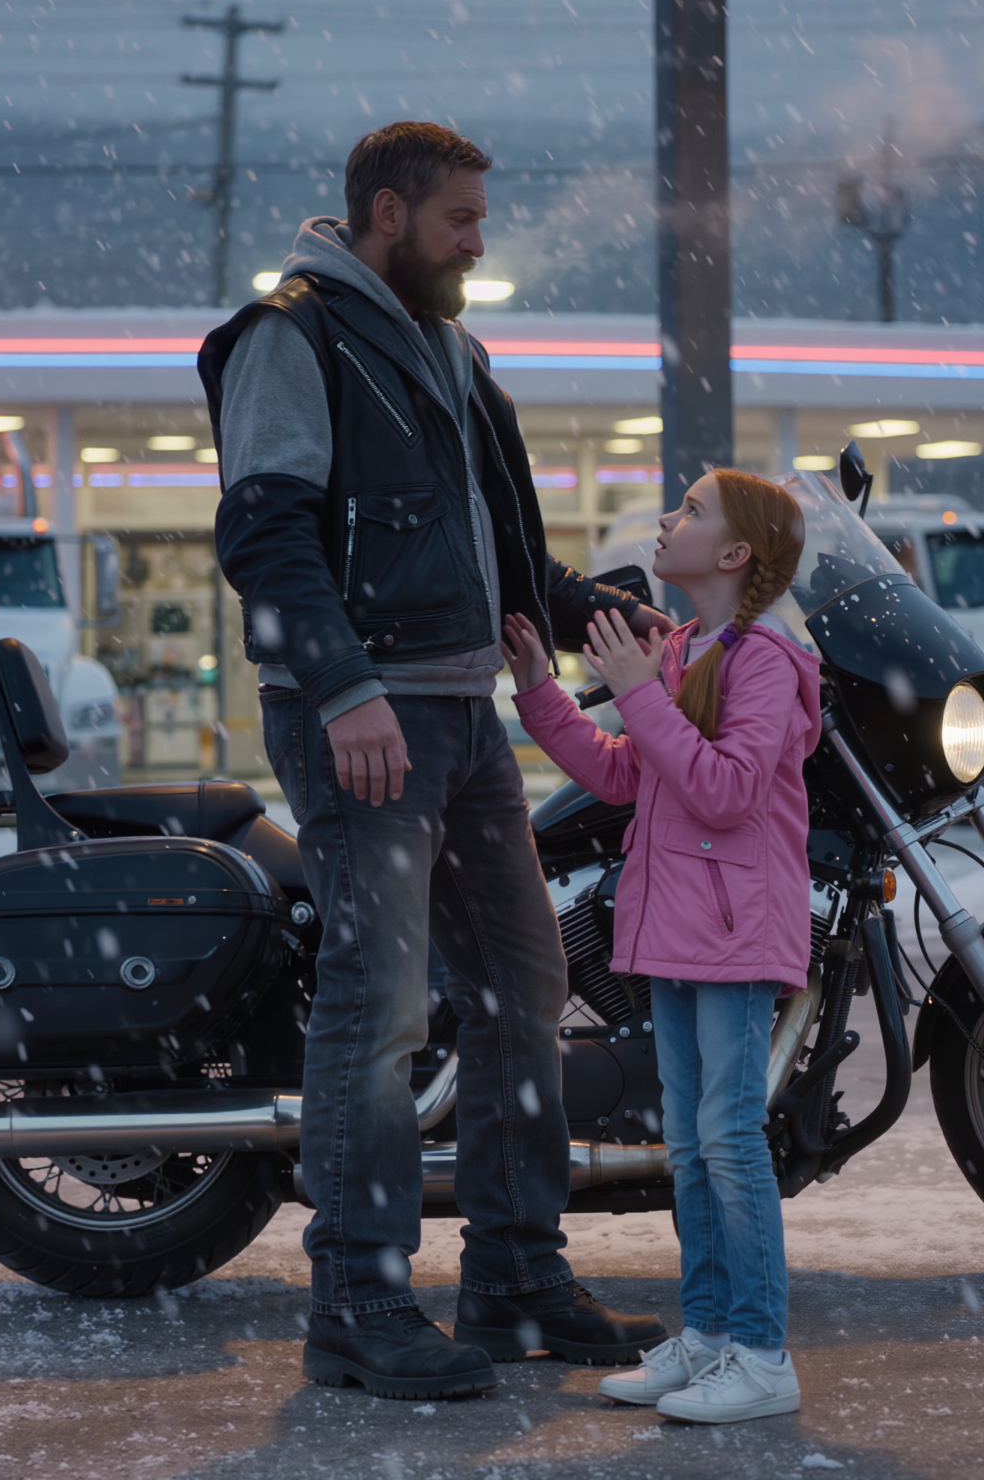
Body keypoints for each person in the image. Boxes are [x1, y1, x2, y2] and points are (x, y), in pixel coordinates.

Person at [197, 121, 673, 1401]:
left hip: (462, 718)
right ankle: (357, 1299)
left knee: (524, 988)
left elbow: (498, 552)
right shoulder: (294, 337)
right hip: (365, 721)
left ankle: (516, 1281)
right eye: (461, 220)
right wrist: (345, 685)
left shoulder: (449, 349)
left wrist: (613, 621)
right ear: (388, 212)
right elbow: (263, 532)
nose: (478, 242)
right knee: (379, 1011)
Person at [502, 468, 821, 1425]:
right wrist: (540, 693)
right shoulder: (681, 648)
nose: (667, 519)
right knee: (688, 1146)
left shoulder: (767, 659)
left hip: (733, 931)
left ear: (735, 555)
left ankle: (763, 1353)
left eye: (691, 510)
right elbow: (625, 775)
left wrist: (639, 691)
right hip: (680, 930)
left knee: (727, 1141)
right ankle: (715, 1337)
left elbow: (723, 789)